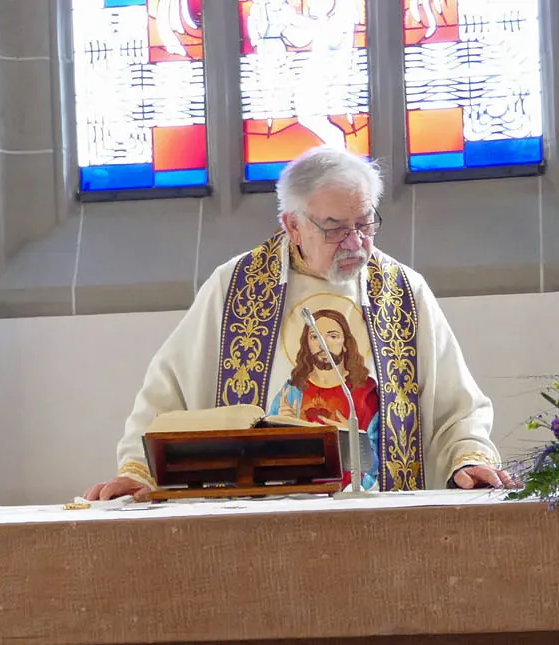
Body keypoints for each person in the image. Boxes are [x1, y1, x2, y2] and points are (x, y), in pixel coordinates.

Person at [85, 146, 510, 500]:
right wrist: (140, 470)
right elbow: (168, 391)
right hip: (258, 517)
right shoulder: (236, 287)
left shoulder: (402, 292)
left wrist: (467, 459)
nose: (356, 243)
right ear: (291, 225)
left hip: (381, 510)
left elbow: (459, 406)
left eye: (365, 225)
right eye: (335, 229)